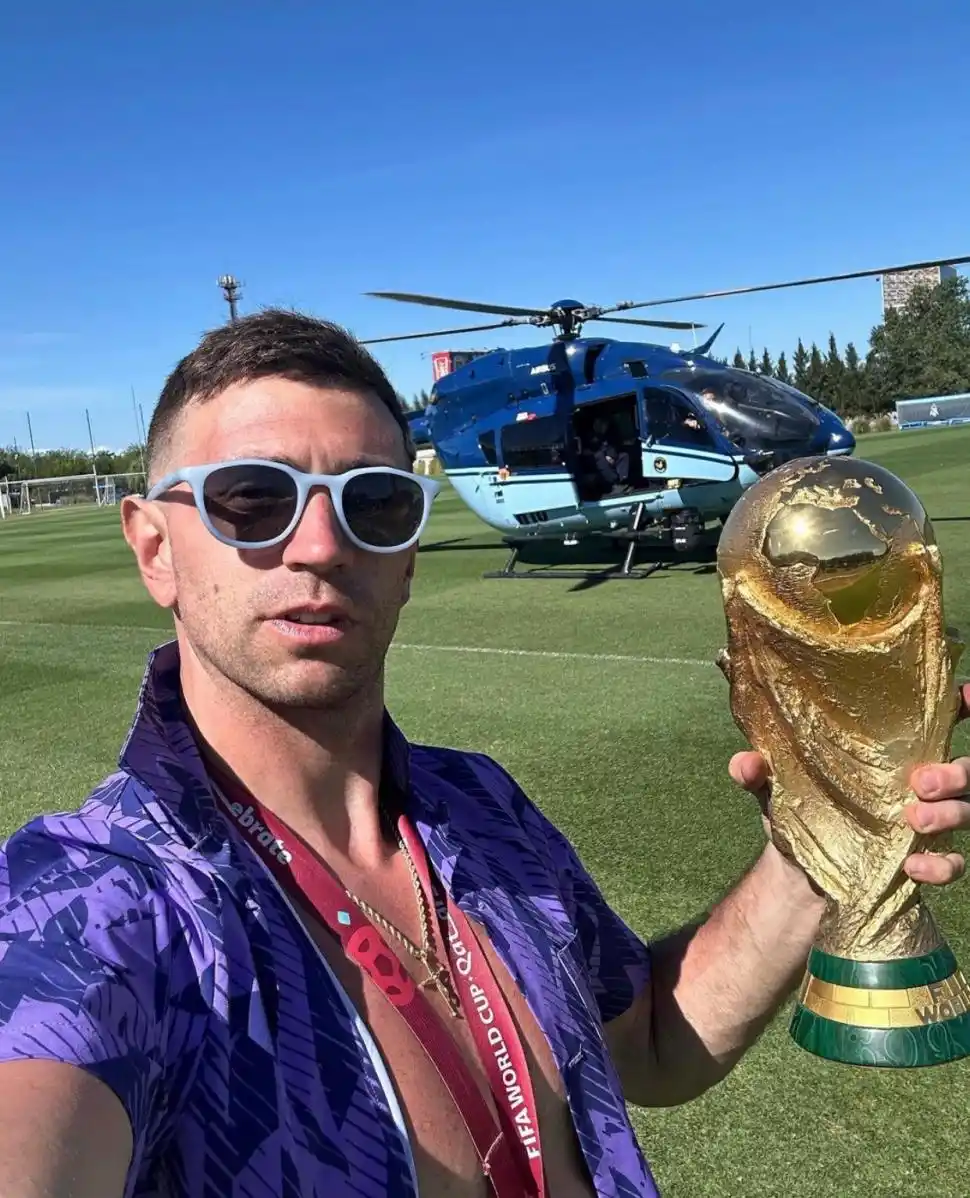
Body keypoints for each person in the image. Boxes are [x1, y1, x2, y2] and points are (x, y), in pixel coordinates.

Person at [0, 310, 966, 1198]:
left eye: (373, 503)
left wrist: (820, 833)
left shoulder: (480, 804)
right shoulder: (90, 902)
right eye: (252, 500)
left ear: (408, 555)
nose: (322, 544)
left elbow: (657, 1045)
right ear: (154, 547)